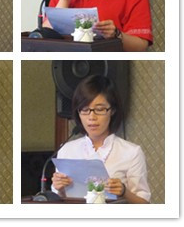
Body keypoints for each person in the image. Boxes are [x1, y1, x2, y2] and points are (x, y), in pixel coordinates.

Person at [51, 75, 151, 203]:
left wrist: (124, 192)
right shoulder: (67, 150)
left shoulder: (131, 152)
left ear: (112, 110)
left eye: (99, 109)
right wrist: (59, 189)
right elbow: (59, 200)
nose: (92, 117)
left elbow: (144, 204)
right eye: (85, 110)